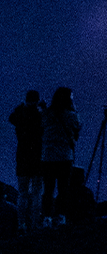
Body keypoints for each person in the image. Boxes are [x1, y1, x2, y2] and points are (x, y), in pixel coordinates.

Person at [40, 87, 80, 227]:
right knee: (63, 189)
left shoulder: (46, 114)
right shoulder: (71, 115)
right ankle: (61, 216)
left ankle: (46, 218)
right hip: (64, 156)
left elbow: (41, 127)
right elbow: (77, 129)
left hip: (48, 156)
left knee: (48, 189)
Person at [9, 90, 44, 232]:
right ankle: (35, 224)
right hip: (37, 157)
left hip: (22, 156)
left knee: (22, 192)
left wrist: (21, 106)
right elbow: (48, 121)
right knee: (37, 192)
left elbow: (11, 118)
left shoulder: (20, 115)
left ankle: (21, 224)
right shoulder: (40, 115)